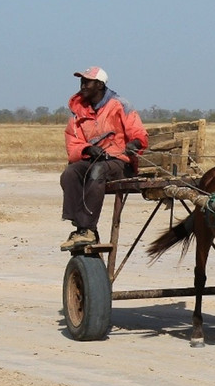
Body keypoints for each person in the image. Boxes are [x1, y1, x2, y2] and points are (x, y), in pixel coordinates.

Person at [59, 66, 149, 250]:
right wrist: (87, 149)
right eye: (82, 82)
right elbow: (73, 141)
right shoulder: (79, 111)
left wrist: (135, 144)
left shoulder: (120, 105)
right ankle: (81, 228)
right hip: (94, 161)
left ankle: (88, 229)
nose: (83, 86)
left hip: (120, 163)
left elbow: (139, 134)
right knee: (70, 173)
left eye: (87, 82)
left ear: (99, 85)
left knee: (97, 170)